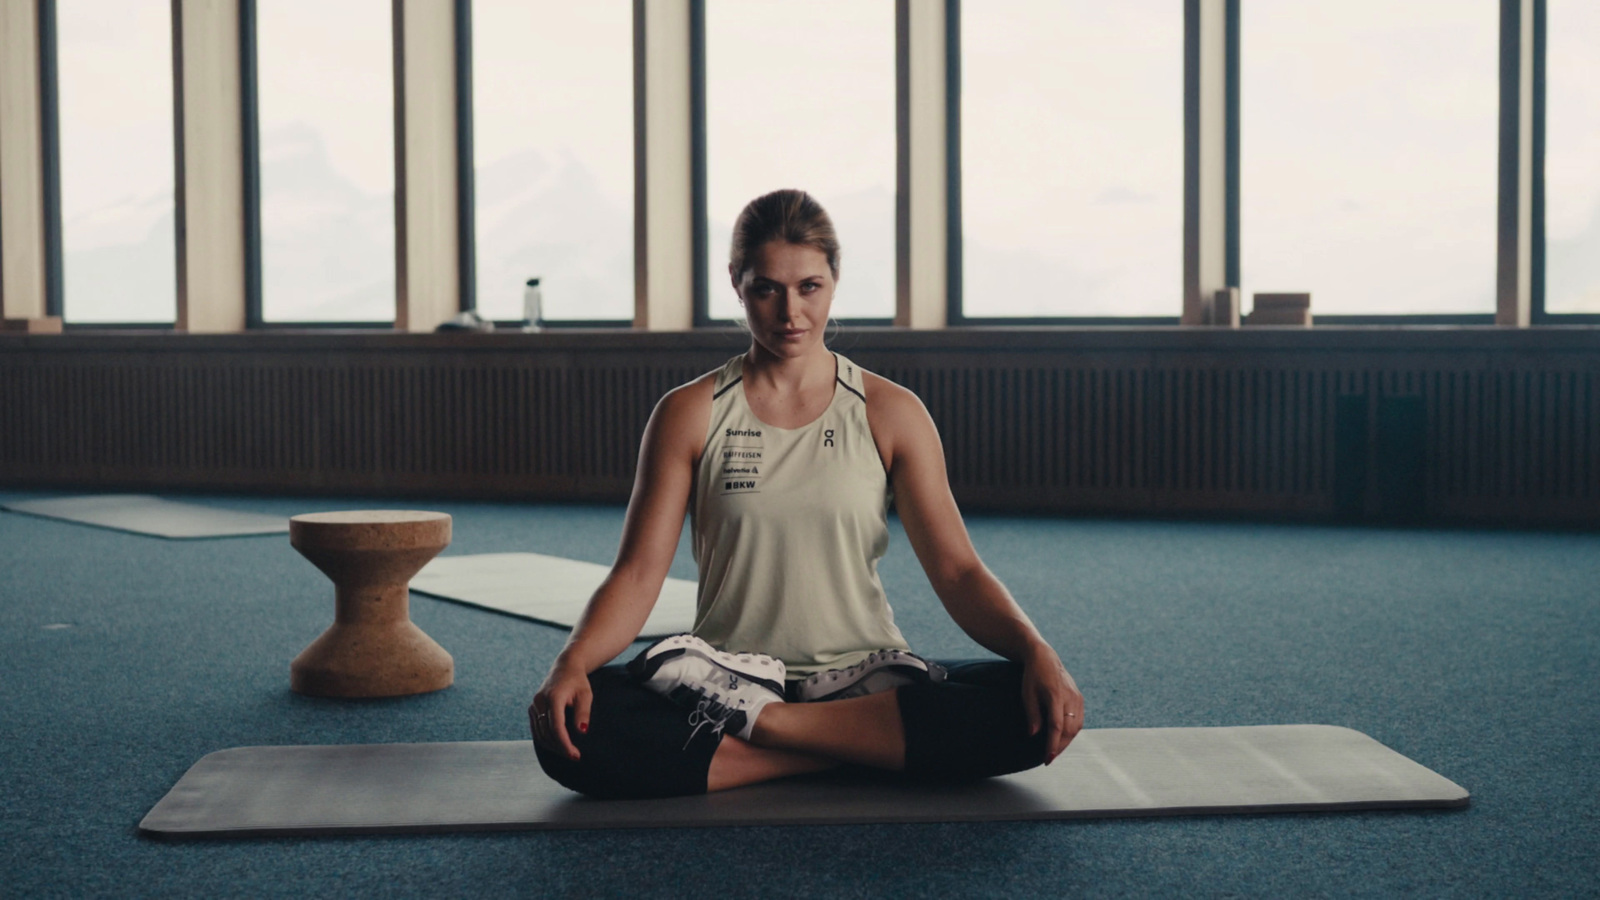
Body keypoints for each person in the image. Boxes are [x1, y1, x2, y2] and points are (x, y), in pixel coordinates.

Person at [530, 189, 1083, 799]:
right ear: (736, 284)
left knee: (1025, 704)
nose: (790, 311)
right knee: (580, 724)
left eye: (810, 288)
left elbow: (956, 570)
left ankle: (772, 734)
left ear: (835, 280)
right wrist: (571, 664)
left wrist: (1036, 648)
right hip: (726, 680)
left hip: (866, 681)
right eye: (766, 288)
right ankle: (854, 752)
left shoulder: (891, 412)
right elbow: (636, 576)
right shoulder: (688, 413)